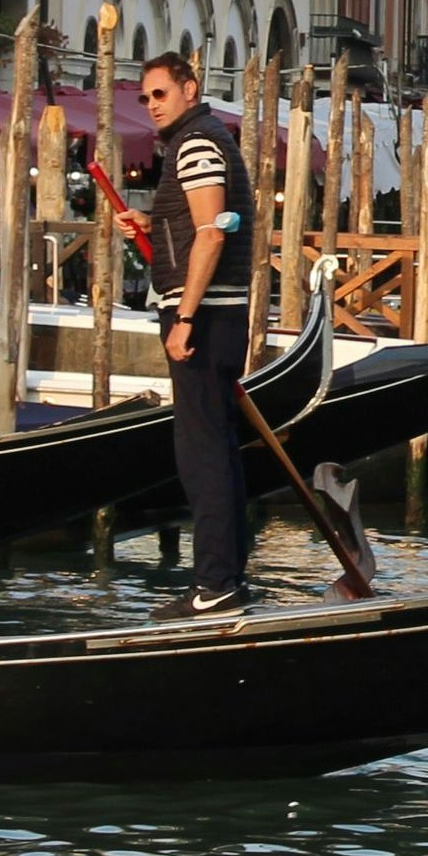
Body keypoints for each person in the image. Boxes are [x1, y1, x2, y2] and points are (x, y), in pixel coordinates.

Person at [135, 51, 258, 619]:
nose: (152, 105)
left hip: (205, 316)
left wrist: (183, 316)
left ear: (189, 88)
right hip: (218, 312)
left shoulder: (197, 144)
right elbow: (194, 226)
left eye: (160, 93)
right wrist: (148, 225)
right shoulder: (204, 139)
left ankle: (215, 584)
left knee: (201, 453)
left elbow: (210, 236)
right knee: (218, 449)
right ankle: (227, 578)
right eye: (145, 98)